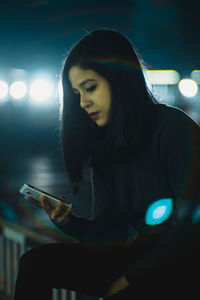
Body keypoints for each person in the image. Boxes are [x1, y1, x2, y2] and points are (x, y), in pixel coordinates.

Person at [13, 29, 200, 300]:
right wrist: (68, 223)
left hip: (184, 265)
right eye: (76, 93)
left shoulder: (174, 128)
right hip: (140, 259)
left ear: (120, 81)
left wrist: (130, 278)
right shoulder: (106, 147)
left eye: (90, 88)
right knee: (35, 262)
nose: (82, 102)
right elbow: (110, 235)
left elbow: (190, 229)